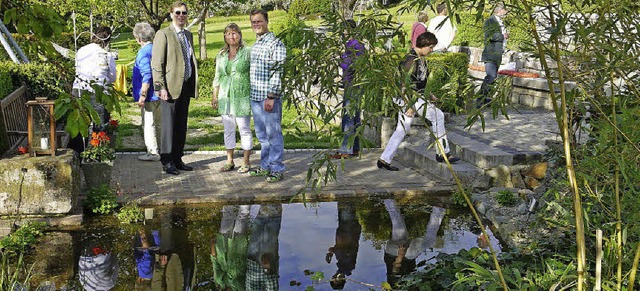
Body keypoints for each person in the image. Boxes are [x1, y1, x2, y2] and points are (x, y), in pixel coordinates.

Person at [377, 32, 460, 171]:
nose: (432, 50)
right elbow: (404, 84)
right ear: (424, 45)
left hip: (414, 97)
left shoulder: (421, 59)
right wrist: (408, 104)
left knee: (402, 129)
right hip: (408, 97)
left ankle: (384, 159)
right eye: (431, 47)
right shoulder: (410, 60)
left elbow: (422, 81)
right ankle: (443, 152)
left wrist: (430, 94)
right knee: (438, 115)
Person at [151, 1, 198, 175]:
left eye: (184, 13)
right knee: (168, 126)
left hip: (185, 85)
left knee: (181, 125)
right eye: (177, 13)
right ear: (171, 14)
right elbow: (157, 63)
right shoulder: (163, 34)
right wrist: (160, 87)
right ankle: (167, 160)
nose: (181, 16)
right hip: (169, 88)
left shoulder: (188, 35)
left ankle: (178, 158)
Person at [247, 9, 287, 183]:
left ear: (266, 21)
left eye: (259, 21)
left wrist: (272, 96)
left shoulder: (275, 44)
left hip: (268, 97)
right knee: (262, 136)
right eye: (253, 22)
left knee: (273, 134)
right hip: (255, 96)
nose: (256, 25)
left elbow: (277, 72)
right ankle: (265, 165)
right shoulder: (257, 44)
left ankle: (277, 168)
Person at [211, 23, 253, 173]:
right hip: (225, 96)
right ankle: (230, 161)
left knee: (244, 129)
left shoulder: (247, 52)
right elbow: (218, 75)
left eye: (234, 33)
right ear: (225, 36)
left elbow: (253, 73)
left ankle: (246, 161)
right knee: (228, 129)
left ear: (240, 35)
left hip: (242, 95)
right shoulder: (221, 54)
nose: (231, 36)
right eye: (228, 34)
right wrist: (215, 95)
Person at [69, 26, 116, 154]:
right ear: (107, 40)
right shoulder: (107, 55)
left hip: (79, 89)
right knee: (99, 124)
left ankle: (76, 153)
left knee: (78, 123)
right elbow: (112, 77)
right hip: (99, 91)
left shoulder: (81, 51)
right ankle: (98, 153)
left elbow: (77, 69)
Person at [331, 19, 365, 160]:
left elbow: (350, 66)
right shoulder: (354, 45)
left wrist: (339, 57)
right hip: (353, 83)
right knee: (355, 116)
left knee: (349, 116)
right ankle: (355, 147)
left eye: (343, 30)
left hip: (353, 83)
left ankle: (346, 149)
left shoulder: (354, 46)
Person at [132, 22, 161, 162]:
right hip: (160, 92)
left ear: (138, 38)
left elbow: (147, 75)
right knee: (159, 122)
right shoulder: (156, 49)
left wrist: (142, 95)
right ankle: (162, 148)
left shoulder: (143, 52)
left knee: (149, 123)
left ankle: (152, 152)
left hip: (149, 95)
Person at [210, 205, 251, 290]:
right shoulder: (240, 288)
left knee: (226, 216)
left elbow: (215, 263)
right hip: (239, 246)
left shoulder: (220, 283)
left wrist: (213, 245)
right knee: (242, 217)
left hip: (223, 245)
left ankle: (229, 195)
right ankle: (245, 198)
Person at [478, 3, 509, 106]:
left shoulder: (500, 22)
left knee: (493, 77)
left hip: (497, 54)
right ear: (500, 11)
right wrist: (502, 36)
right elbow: (489, 35)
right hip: (491, 53)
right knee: (490, 76)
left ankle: (487, 98)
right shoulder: (490, 21)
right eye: (505, 11)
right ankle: (480, 99)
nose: (506, 13)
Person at [325, 201, 362, 290]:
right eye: (337, 280)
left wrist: (331, 252)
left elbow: (341, 248)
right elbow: (349, 251)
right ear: (343, 280)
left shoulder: (340, 264)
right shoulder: (349, 268)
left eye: (333, 279)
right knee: (347, 202)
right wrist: (334, 251)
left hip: (343, 228)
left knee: (342, 203)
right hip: (350, 229)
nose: (335, 277)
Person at [245, 204, 282, 290]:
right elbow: (273, 285)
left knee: (258, 224)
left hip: (251, 261)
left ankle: (266, 202)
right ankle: (275, 200)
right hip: (267, 261)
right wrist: (268, 269)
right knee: (271, 227)